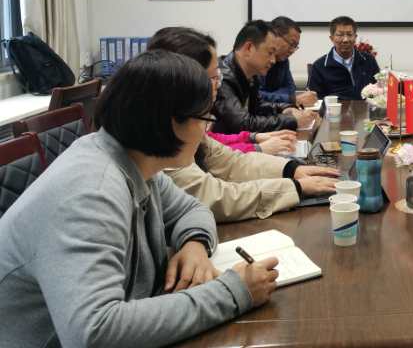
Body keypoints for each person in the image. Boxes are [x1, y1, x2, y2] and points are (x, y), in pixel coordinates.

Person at [0, 51, 280, 347]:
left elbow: (191, 209)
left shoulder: (134, 159)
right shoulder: (93, 192)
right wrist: (233, 292)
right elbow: (95, 333)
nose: (206, 132)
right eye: (204, 118)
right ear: (171, 123)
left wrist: (194, 244)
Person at [148, 26, 338, 222]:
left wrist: (291, 169)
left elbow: (230, 162)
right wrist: (296, 187)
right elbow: (215, 198)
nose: (218, 85)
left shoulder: (181, 119)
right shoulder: (160, 136)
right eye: (213, 78)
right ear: (182, 81)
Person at [213, 20, 318, 134]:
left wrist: (285, 108)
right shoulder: (221, 78)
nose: (273, 60)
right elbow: (242, 123)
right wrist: (291, 120)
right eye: (270, 53)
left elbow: (258, 106)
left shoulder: (251, 74)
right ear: (249, 48)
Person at [308, 15, 379, 100]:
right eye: (340, 35)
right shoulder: (319, 66)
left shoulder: (369, 60)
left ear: (355, 37)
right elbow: (315, 100)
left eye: (349, 34)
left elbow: (379, 90)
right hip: (334, 108)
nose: (345, 40)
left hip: (365, 107)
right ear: (331, 38)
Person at [258, 16, 317, 108]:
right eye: (291, 44)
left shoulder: (283, 60)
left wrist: (272, 95)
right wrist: (288, 98)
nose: (292, 50)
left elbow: (291, 89)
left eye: (295, 46)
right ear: (275, 36)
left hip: (276, 108)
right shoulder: (258, 58)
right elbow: (257, 96)